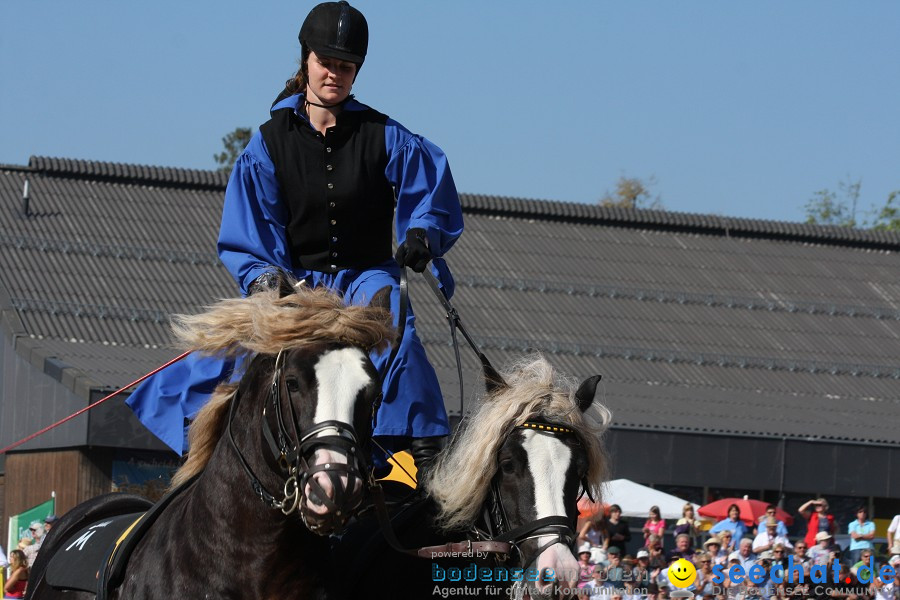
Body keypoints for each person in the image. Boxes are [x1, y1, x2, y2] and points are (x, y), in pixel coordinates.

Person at [128, 1, 463, 471]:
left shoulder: (387, 135)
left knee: (397, 338)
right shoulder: (267, 144)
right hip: (299, 284)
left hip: (368, 278)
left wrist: (423, 233)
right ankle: (227, 458)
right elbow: (251, 233)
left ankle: (419, 457)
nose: (335, 75)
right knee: (252, 357)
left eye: (346, 67)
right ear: (306, 58)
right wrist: (265, 279)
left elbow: (429, 189)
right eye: (326, 63)